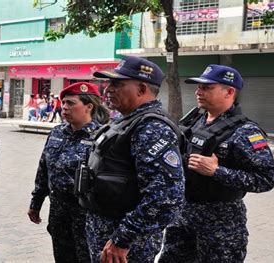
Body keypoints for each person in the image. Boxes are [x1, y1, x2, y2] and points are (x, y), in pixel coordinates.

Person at [159, 65, 274, 262]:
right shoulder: (195, 120)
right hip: (183, 216)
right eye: (198, 87)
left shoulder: (245, 131)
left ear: (229, 91)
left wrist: (216, 171)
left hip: (221, 223)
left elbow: (267, 178)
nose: (198, 91)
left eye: (207, 87)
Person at [80, 56, 185, 262]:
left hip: (126, 245)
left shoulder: (152, 128)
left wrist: (123, 238)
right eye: (109, 83)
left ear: (141, 89)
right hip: (106, 233)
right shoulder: (124, 121)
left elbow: (166, 197)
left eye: (117, 84)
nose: (108, 89)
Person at [28, 82, 110, 262]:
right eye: (63, 102)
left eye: (71, 103)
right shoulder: (57, 132)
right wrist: (36, 202)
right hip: (58, 212)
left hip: (86, 215)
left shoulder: (102, 137)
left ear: (89, 106)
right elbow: (44, 168)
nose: (64, 107)